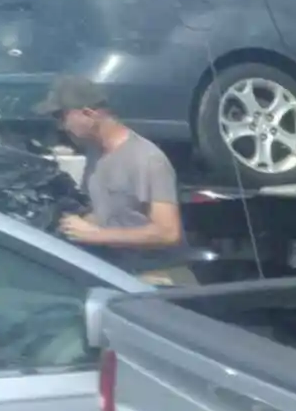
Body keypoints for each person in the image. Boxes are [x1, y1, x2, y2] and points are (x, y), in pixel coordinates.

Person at [33, 74, 185, 269]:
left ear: (88, 114)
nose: (60, 126)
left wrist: (94, 235)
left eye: (62, 117)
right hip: (111, 267)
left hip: (151, 275)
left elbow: (168, 233)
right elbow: (106, 213)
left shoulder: (147, 160)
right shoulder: (95, 154)